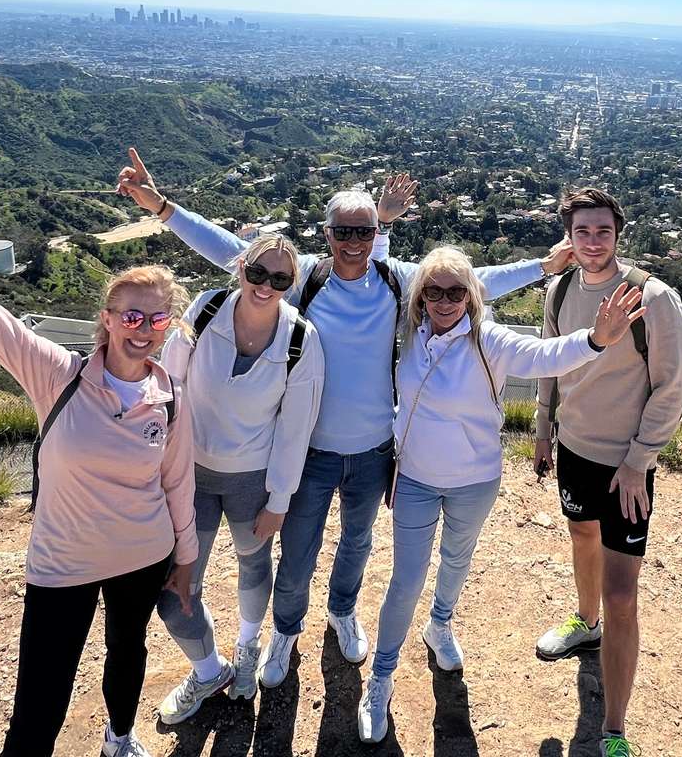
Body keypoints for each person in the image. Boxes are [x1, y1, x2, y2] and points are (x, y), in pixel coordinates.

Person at [116, 148, 573, 690]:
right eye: (343, 233)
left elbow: (470, 282)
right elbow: (234, 253)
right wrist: (163, 208)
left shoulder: (394, 280)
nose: (354, 244)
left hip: (374, 448)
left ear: (375, 233)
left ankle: (341, 610)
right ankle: (285, 631)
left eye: (364, 232)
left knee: (357, 542)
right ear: (326, 234)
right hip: (309, 447)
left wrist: (541, 268)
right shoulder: (303, 276)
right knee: (298, 546)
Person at [0, 169, 198, 757]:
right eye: (130, 316)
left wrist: (187, 559)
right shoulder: (57, 375)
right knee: (41, 695)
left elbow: (177, 481)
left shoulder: (170, 395)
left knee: (129, 653)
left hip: (144, 554)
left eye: (155, 320)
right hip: (62, 561)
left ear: (167, 325)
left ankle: (119, 737)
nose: (142, 330)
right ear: (107, 318)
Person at [356, 246, 646, 744]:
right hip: (417, 479)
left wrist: (596, 340)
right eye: (433, 291)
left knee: (456, 560)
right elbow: (373, 271)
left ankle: (440, 625)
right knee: (406, 578)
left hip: (474, 480)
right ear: (419, 295)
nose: (444, 301)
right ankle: (381, 676)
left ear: (471, 296)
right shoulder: (406, 336)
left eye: (456, 291)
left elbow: (543, 356)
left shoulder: (488, 340)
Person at [532, 187, 682, 757]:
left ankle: (614, 730)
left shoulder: (653, 298)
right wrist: (544, 431)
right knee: (580, 534)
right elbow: (551, 366)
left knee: (624, 593)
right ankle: (584, 622)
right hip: (574, 448)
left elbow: (671, 389)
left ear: (618, 233)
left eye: (602, 231)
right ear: (569, 238)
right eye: (582, 232)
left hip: (626, 464)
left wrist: (638, 461)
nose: (592, 241)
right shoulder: (562, 289)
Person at [152, 233, 325, 723]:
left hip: (253, 480)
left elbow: (297, 426)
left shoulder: (299, 339)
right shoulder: (205, 312)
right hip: (191, 474)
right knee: (177, 586)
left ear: (291, 285)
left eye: (280, 278)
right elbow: (167, 386)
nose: (265, 285)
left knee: (253, 566)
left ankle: (247, 649)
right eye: (257, 273)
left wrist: (280, 499)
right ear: (241, 268)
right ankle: (208, 669)